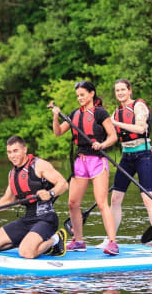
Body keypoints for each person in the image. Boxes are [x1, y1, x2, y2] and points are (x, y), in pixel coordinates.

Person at [96, 78, 152, 253]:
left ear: (130, 91)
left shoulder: (139, 106)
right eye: (117, 90)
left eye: (122, 90)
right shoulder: (115, 112)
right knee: (115, 199)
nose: (120, 93)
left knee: (147, 198)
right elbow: (109, 132)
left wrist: (116, 123)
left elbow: (140, 129)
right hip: (126, 156)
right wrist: (99, 143)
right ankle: (111, 239)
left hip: (143, 155)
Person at [51, 81, 119, 255]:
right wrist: (56, 116)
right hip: (80, 162)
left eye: (82, 94)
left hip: (97, 160)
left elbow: (113, 137)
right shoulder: (74, 114)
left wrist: (102, 144)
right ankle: (79, 240)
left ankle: (112, 242)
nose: (80, 98)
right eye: (78, 96)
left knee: (102, 202)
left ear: (91, 94)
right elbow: (58, 132)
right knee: (73, 203)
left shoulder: (100, 113)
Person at [0, 135, 69, 259]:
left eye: (15, 151)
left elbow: (63, 184)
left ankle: (55, 239)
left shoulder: (39, 165)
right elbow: (7, 200)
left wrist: (50, 193)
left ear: (25, 150)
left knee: (26, 253)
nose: (12, 155)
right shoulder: (12, 173)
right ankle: (29, 241)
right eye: (9, 152)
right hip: (27, 219)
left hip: (46, 219)